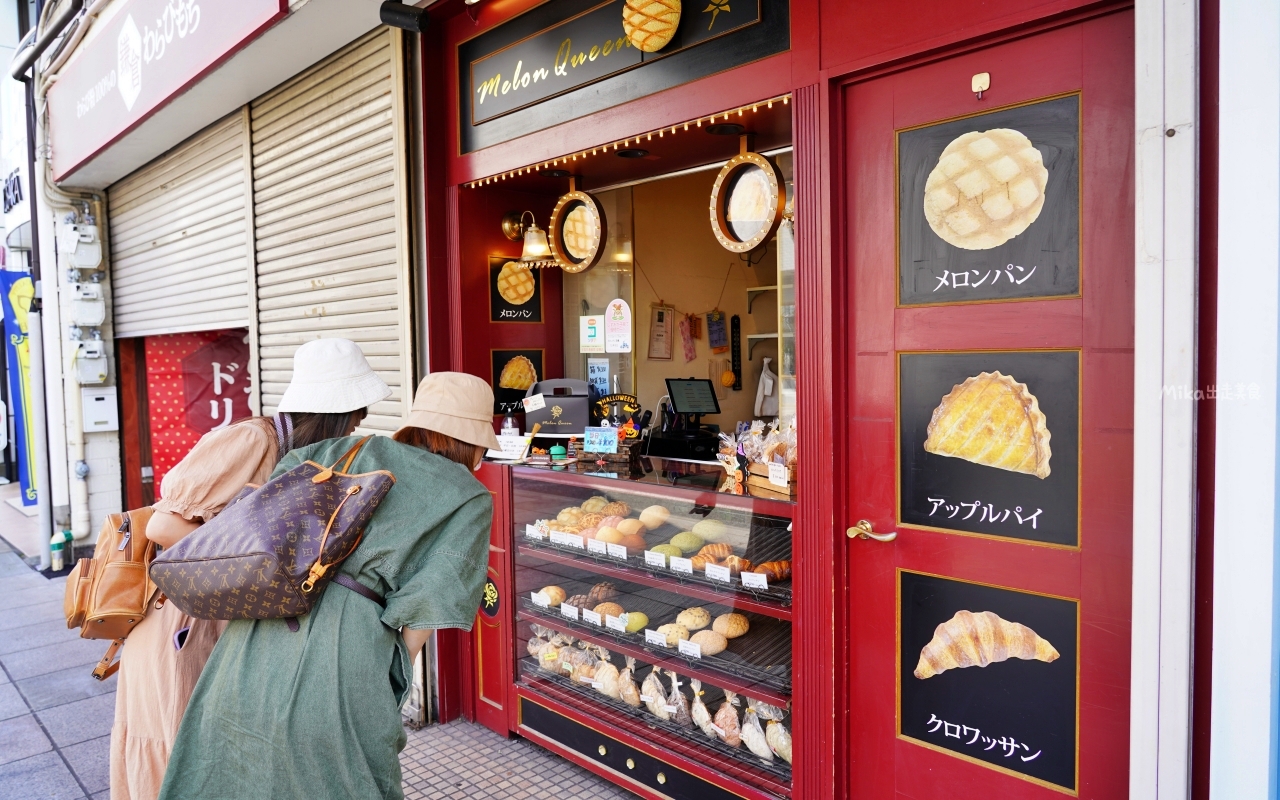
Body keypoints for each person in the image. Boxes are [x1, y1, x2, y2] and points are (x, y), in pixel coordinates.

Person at [156, 372, 500, 800]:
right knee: (346, 775)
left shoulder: (334, 450)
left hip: (255, 632)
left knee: (228, 764)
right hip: (347, 647)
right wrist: (388, 676)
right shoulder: (467, 496)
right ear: (476, 442)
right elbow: (424, 609)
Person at [110, 338, 391, 800]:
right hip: (182, 623)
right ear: (336, 411)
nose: (361, 421)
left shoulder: (298, 453)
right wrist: (261, 562)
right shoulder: (253, 439)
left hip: (220, 616)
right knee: (182, 748)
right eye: (357, 410)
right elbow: (163, 525)